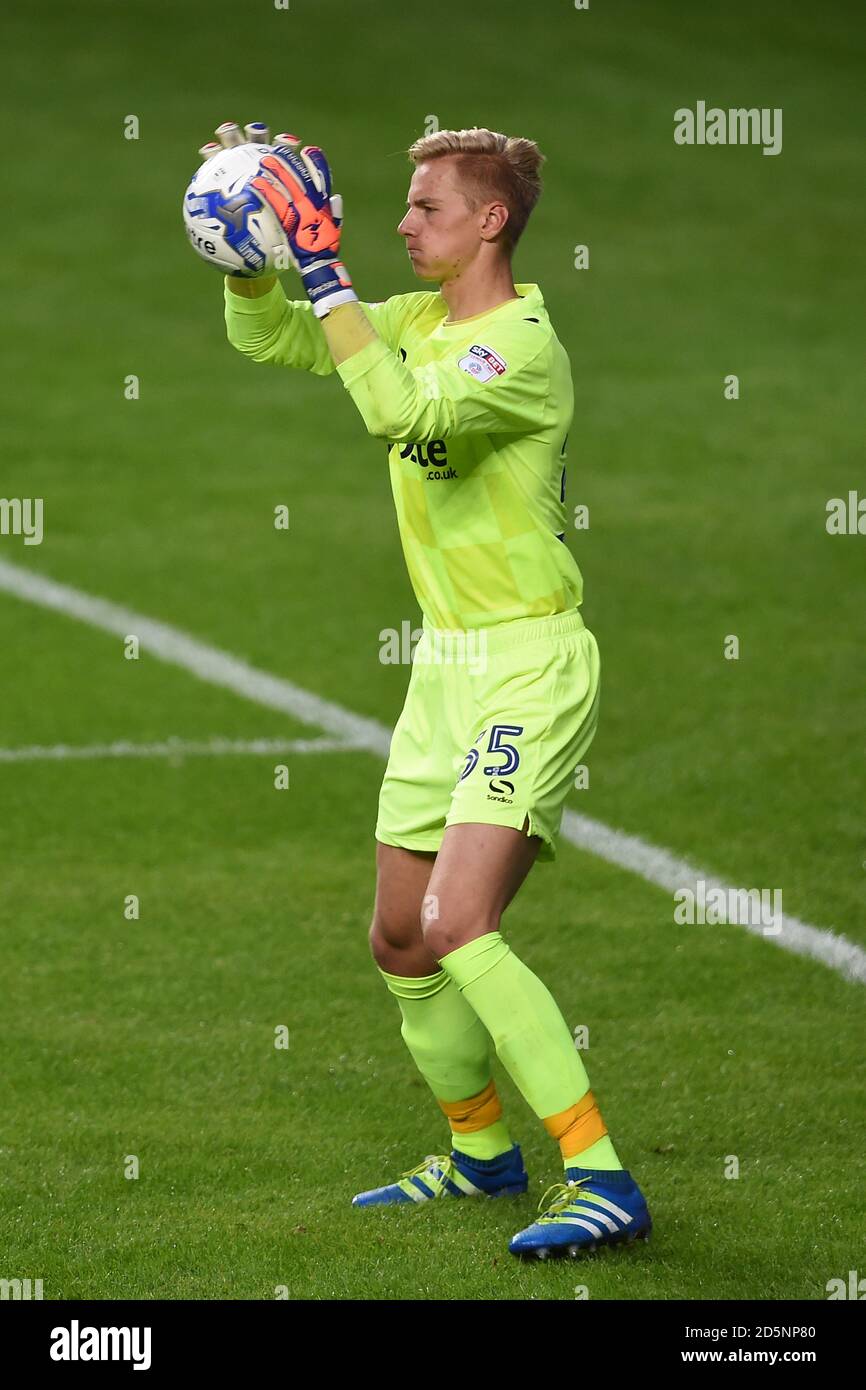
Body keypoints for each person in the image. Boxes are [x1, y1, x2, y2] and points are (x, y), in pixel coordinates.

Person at [212, 119, 652, 1259]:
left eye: (426, 209)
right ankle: (479, 1155)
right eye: (400, 208)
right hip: (443, 665)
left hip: (527, 663)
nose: (401, 223)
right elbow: (272, 344)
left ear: (489, 220)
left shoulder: (520, 345)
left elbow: (399, 414)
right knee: (402, 940)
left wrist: (324, 272)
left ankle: (600, 1175)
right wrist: (249, 250)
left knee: (460, 920)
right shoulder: (412, 319)